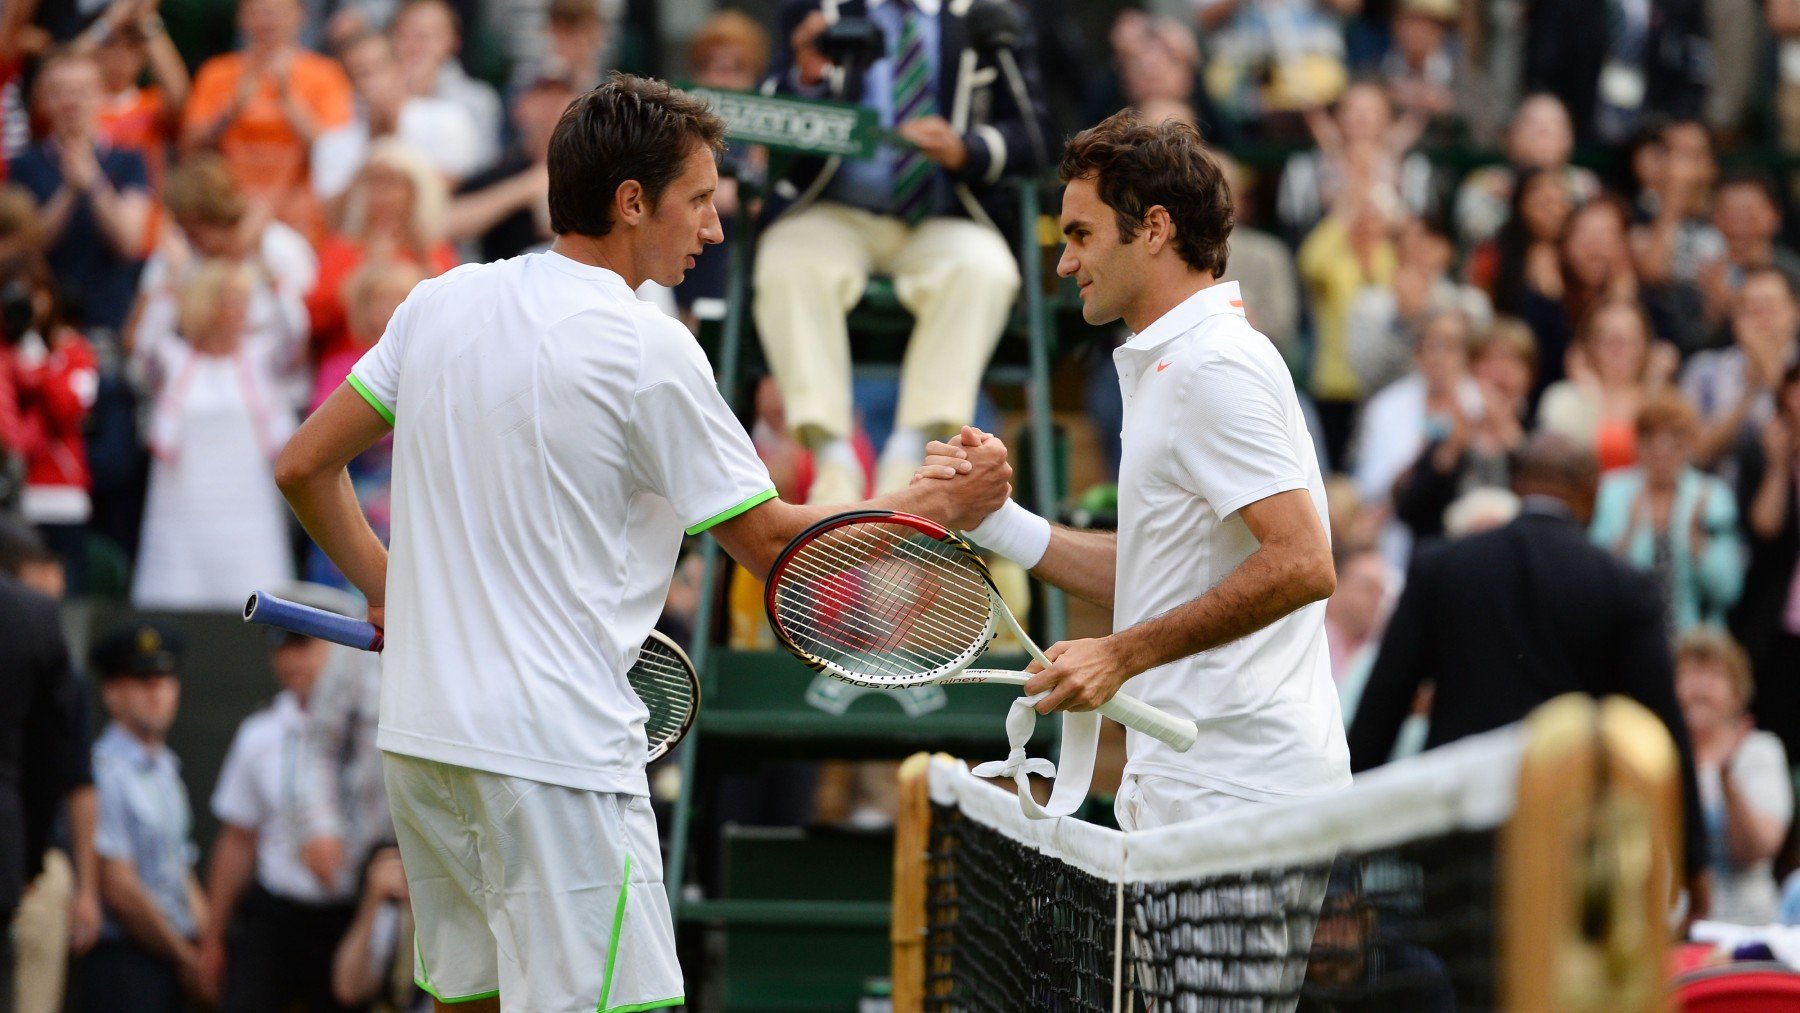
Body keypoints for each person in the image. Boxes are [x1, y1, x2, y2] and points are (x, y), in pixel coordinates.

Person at [273, 75, 1010, 1012]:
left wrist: (392, 589)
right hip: (558, 755)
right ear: (632, 203)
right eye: (699, 200)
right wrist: (932, 502)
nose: (713, 226)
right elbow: (779, 548)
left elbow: (304, 465)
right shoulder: (649, 347)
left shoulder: (439, 302)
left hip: (423, 744)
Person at [922, 108, 1349, 830]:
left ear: (1153, 229)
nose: (1064, 262)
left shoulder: (1213, 364)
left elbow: (1305, 561)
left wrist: (1119, 652)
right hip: (1205, 785)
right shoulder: (1179, 364)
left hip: (1237, 793)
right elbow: (1161, 572)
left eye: (1081, 236)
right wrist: (993, 517)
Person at [1346, 433, 1708, 895]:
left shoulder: (1441, 566)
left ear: (1516, 484)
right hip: (1573, 840)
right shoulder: (1624, 586)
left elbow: (1381, 710)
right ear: (1592, 491)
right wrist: (1693, 858)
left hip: (1458, 838)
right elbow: (1662, 727)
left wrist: (1344, 837)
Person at [754, 0, 1053, 502]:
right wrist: (806, 82)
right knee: (785, 259)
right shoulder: (817, 9)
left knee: (987, 268)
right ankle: (832, 457)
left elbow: (1037, 136)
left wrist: (966, 149)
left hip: (943, 216)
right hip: (835, 213)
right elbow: (767, 127)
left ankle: (910, 453)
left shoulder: (987, 15)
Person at [199, 587, 368, 1012]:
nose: (291, 660)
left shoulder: (374, 728)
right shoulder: (260, 734)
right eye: (281, 647)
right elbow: (238, 838)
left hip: (354, 915)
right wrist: (213, 936)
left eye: (304, 646)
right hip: (279, 911)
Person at [131, 258, 299, 609]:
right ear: (204, 305)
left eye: (242, 301)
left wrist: (271, 272)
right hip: (181, 507)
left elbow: (295, 332)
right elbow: (143, 344)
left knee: (256, 609)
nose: (239, 311)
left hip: (249, 509)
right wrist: (169, 278)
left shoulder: (260, 356)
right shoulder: (173, 359)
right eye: (228, 301)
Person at [75, 622, 208, 1013]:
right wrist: (186, 957)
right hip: (127, 964)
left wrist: (209, 948)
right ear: (112, 694)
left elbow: (183, 871)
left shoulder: (166, 769)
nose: (158, 692)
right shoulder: (103, 772)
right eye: (142, 681)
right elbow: (120, 890)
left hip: (173, 956)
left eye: (165, 680)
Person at [0, 523, 94, 1013]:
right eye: (45, 567)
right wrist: (29, 858)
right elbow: (52, 764)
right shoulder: (36, 625)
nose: (58, 578)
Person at [180, 0, 355, 241]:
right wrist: (231, 111)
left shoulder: (326, 74)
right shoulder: (217, 73)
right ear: (240, 18)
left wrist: (290, 102)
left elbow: (336, 153)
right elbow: (189, 148)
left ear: (301, 16)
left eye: (279, 12)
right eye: (258, 11)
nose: (268, 21)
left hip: (301, 218)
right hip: (228, 212)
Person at [6, 49, 151, 338]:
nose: (71, 101)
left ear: (100, 96)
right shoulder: (21, 167)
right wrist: (70, 190)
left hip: (109, 321)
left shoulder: (130, 161)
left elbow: (128, 242)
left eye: (82, 91)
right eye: (60, 92)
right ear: (43, 101)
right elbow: (25, 247)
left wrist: (93, 181)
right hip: (42, 323)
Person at [1589, 392, 1743, 636]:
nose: (1662, 450)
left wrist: (1697, 545)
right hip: (1628, 638)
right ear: (1638, 443)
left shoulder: (1712, 496)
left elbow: (1728, 590)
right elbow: (1593, 583)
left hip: (1694, 643)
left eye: (1674, 440)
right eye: (1651, 439)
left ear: (1688, 445)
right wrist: (1628, 533)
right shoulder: (1611, 493)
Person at [1674, 627, 1793, 925]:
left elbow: (1757, 849)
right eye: (1689, 674)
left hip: (1743, 926)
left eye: (1713, 676)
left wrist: (1726, 777)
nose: (1699, 687)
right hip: (1672, 925)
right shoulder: (1657, 754)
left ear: (1737, 693)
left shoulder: (1760, 751)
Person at [307, 139, 457, 363]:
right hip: (349, 364)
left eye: (392, 182)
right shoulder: (342, 248)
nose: (381, 193)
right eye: (373, 182)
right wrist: (366, 269)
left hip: (417, 362)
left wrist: (424, 265)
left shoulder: (434, 251)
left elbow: (451, 318)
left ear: (416, 191)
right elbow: (316, 319)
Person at [309, 31, 484, 201]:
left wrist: (391, 135)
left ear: (400, 67)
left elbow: (446, 194)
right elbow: (332, 215)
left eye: (380, 66)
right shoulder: (331, 143)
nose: (372, 80)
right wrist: (375, 145)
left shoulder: (449, 118)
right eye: (361, 72)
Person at [1536, 298, 1674, 472]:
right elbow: (1559, 466)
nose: (1619, 350)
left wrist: (1653, 388)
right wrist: (1589, 394)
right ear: (1589, 346)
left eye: (1629, 340)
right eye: (1609, 340)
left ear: (1645, 346)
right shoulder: (1562, 398)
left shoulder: (1662, 400)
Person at [390, 0, 501, 172]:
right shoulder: (368, 90)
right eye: (403, 36)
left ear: (454, 42)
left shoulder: (478, 99)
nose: (413, 46)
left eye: (424, 36)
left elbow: (480, 169)